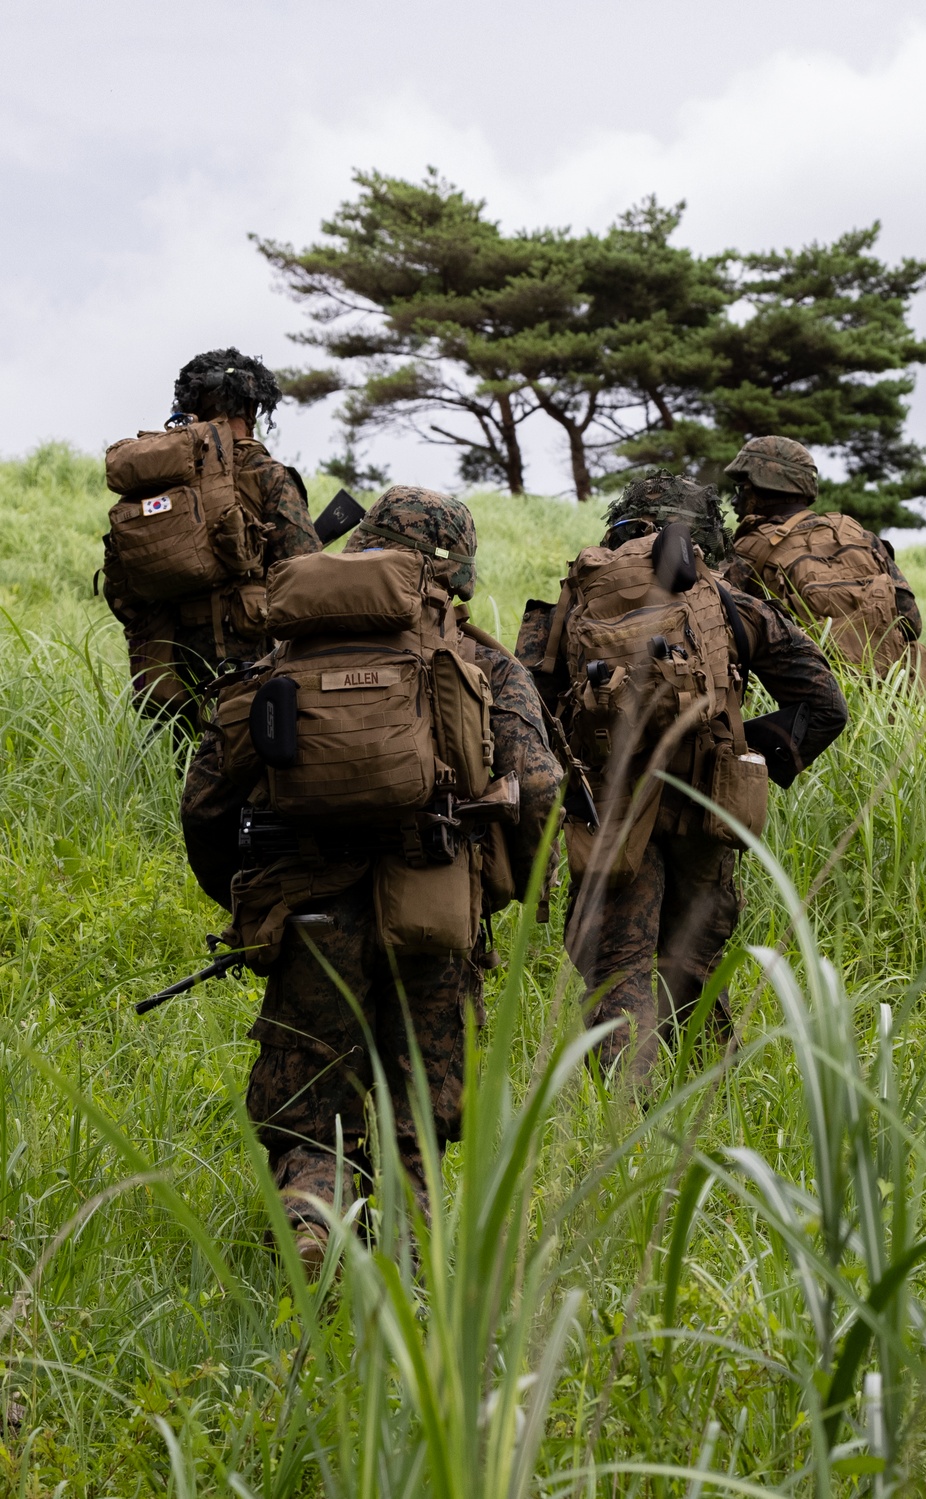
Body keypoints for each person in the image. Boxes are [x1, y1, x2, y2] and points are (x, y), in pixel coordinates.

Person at [181, 486, 563, 1266]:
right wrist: (512, 888)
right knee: (416, 1106)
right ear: (455, 571)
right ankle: (412, 1261)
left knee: (308, 1099)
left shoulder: (284, 651)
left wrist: (247, 899)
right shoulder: (481, 658)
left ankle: (310, 1221)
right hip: (434, 908)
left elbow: (207, 797)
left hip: (307, 904)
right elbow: (539, 786)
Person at [517, 469, 849, 1076]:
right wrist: (750, 760)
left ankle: (627, 1129)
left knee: (617, 965)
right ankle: (711, 1115)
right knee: (693, 962)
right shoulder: (728, 603)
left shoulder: (572, 604)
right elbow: (826, 705)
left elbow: (525, 717)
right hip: (708, 805)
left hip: (612, 809)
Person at [102, 348, 321, 735]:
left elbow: (121, 585)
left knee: (186, 766)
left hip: (171, 655)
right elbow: (307, 575)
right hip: (248, 652)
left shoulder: (160, 481)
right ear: (252, 408)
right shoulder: (266, 474)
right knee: (251, 759)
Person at [722, 436, 926, 682]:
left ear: (764, 487)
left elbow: (722, 642)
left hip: (808, 706)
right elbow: (910, 624)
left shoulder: (747, 551)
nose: (735, 500)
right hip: (890, 701)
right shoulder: (859, 535)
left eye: (741, 489)